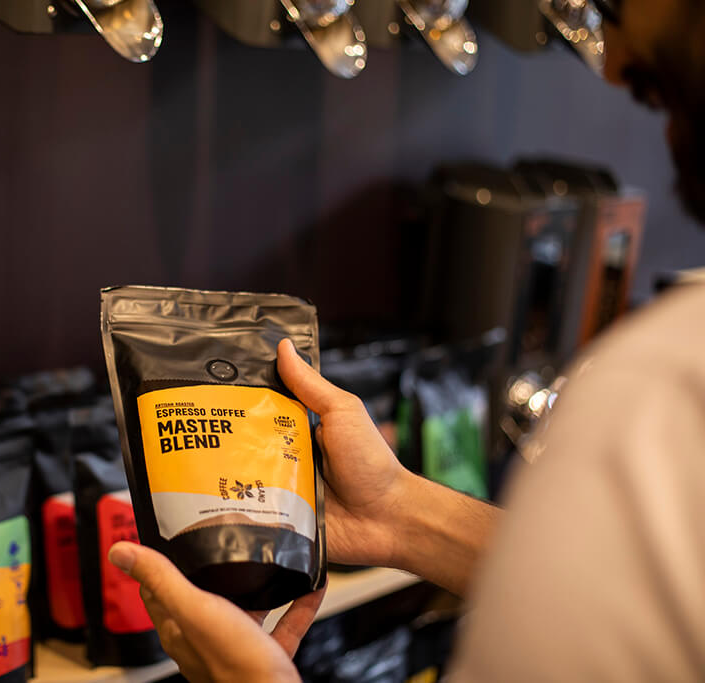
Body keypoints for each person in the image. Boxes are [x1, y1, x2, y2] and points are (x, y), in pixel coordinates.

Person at [108, 0, 705, 680]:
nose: (614, 65)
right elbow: (637, 589)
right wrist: (396, 510)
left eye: (620, 6)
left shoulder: (664, 385)